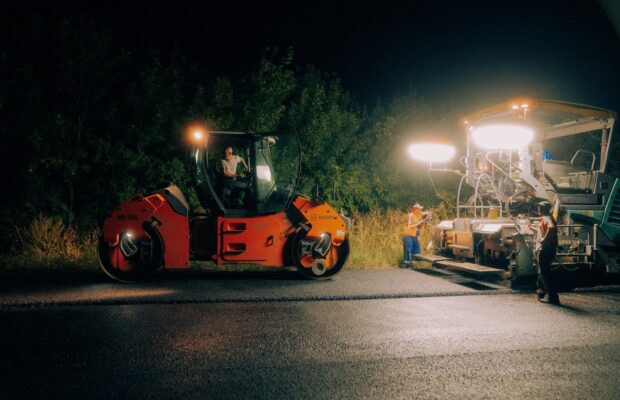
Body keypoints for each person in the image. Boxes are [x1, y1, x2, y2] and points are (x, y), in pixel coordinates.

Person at [534, 201, 560, 305]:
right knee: (543, 271)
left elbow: (551, 227)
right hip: (549, 248)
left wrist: (544, 239)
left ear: (546, 209)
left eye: (541, 208)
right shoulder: (546, 218)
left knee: (544, 272)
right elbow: (544, 229)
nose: (539, 210)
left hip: (546, 248)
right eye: (539, 208)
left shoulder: (547, 217)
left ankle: (552, 296)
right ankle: (543, 292)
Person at [401, 203, 431, 268]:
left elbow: (428, 213)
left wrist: (427, 216)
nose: (421, 210)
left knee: (416, 250)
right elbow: (409, 227)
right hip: (407, 235)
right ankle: (405, 264)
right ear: (415, 209)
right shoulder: (410, 215)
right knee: (408, 250)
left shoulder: (419, 214)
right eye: (419, 209)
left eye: (421, 209)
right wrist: (418, 224)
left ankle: (412, 264)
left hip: (414, 235)